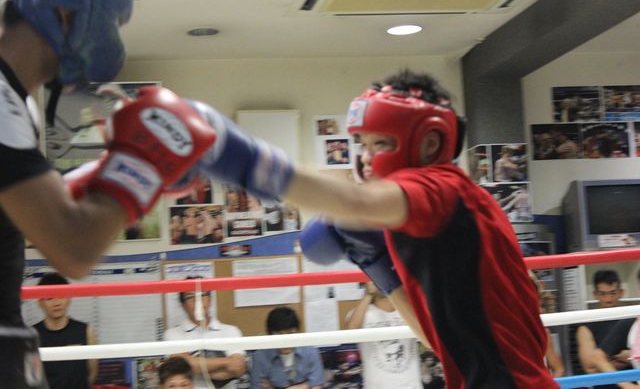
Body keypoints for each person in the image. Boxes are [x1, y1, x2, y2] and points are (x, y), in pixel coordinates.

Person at [184, 68, 558, 388]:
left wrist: (239, 158)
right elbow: (437, 341)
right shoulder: (435, 219)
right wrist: (378, 266)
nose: (365, 160)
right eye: (362, 144)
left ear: (428, 143)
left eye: (380, 144)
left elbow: (357, 202)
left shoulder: (440, 188)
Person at [0, 0, 215, 387]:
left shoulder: (18, 106)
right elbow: (72, 249)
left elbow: (35, 211)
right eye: (109, 20)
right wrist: (141, 167)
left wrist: (111, 167)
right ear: (64, 3)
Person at [164, 277, 247, 389]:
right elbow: (181, 367)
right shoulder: (172, 334)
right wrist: (226, 362)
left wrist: (194, 366)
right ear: (183, 305)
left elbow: (238, 368)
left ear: (210, 299)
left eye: (202, 295)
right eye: (190, 297)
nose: (197, 301)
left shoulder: (231, 331)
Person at [344, 282, 422, 389]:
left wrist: (400, 292)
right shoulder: (362, 313)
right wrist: (368, 294)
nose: (381, 282)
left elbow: (429, 335)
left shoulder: (408, 310)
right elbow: (350, 332)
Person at [32, 272, 97, 389]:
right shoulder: (32, 336)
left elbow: (92, 373)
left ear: (69, 298)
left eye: (61, 296)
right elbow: (31, 378)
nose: (57, 303)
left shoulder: (86, 331)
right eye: (50, 298)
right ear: (40, 302)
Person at [576, 269, 636, 388]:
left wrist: (628, 358)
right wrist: (624, 361)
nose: (608, 299)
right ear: (595, 294)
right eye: (603, 294)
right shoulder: (586, 327)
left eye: (612, 293)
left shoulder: (632, 320)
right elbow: (590, 368)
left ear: (621, 293)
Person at [250, 307, 324, 389]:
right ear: (270, 334)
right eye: (279, 335)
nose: (285, 341)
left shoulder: (310, 351)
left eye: (291, 333)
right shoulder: (260, 357)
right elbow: (258, 386)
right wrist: (306, 385)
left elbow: (317, 385)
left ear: (297, 332)